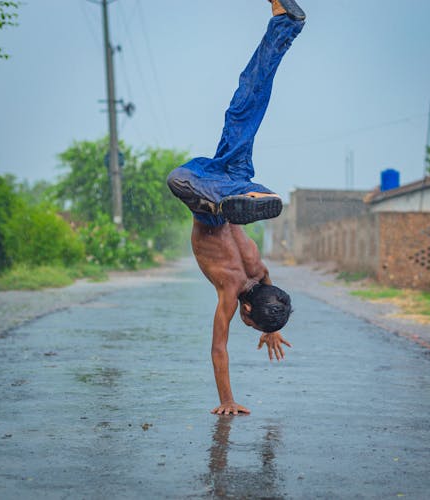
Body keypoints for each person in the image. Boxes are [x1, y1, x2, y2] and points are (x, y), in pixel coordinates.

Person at [167, 0, 305, 415]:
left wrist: (273, 323)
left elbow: (271, 296)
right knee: (178, 179)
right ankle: (233, 200)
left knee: (247, 100)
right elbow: (218, 348)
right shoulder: (231, 290)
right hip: (210, 202)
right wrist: (227, 400)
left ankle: (285, 25)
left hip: (231, 173)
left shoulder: (261, 272)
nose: (246, 326)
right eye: (252, 323)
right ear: (246, 309)